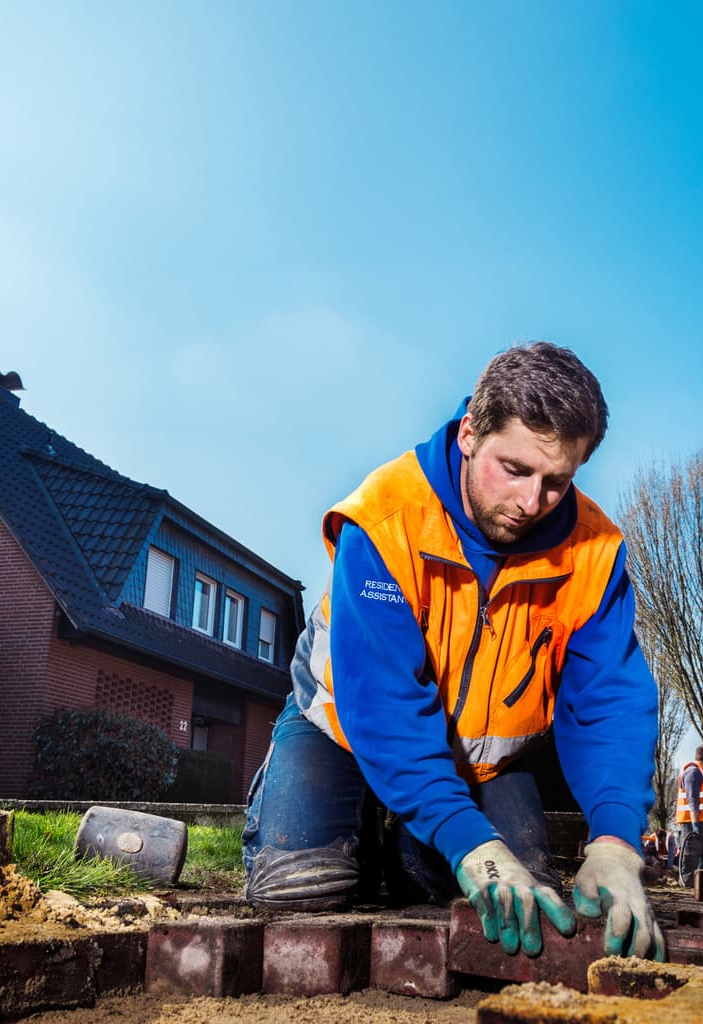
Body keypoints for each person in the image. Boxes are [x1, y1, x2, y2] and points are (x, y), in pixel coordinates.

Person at [242, 342, 665, 962]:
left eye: (557, 482)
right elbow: (383, 708)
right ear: (470, 432)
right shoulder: (384, 521)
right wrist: (472, 843)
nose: (531, 503)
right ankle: (355, 817)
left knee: (526, 895)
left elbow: (610, 703)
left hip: (484, 763)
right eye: (515, 470)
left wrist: (614, 844)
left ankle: (409, 842)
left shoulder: (595, 552)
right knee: (303, 886)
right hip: (343, 734)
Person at [675, 744, 703, 883]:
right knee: (690, 859)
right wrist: (695, 826)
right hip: (691, 823)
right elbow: (692, 799)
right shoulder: (693, 772)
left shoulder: (702, 773)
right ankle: (688, 890)